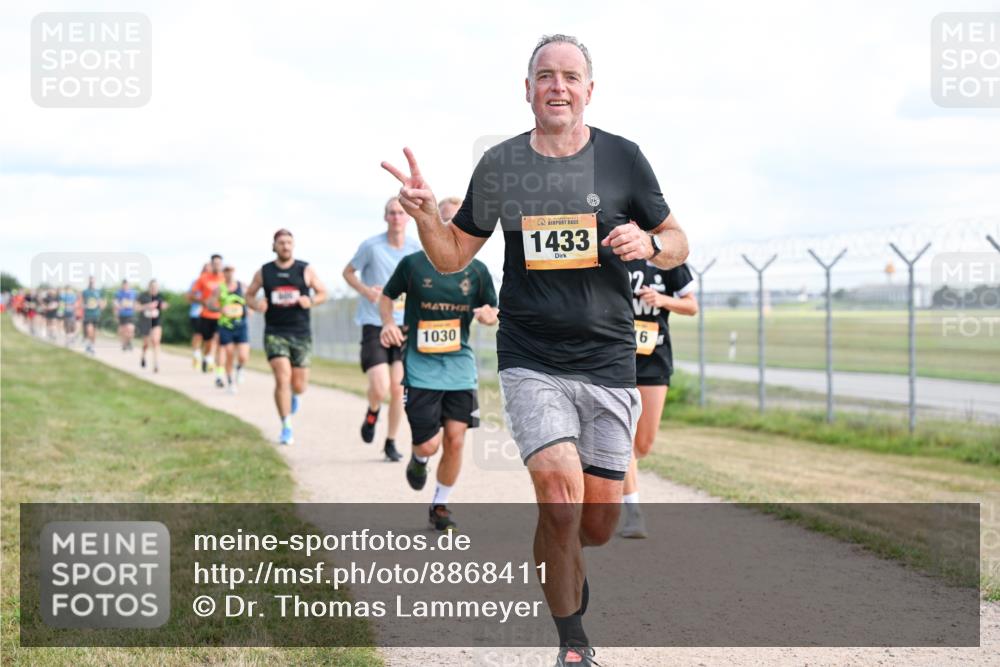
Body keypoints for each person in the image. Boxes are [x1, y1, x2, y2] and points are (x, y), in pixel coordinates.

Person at [382, 34, 688, 666]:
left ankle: (565, 561)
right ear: (527, 89)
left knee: (594, 525)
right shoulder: (500, 165)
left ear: (589, 90)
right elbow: (451, 254)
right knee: (557, 496)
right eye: (545, 76)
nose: (558, 86)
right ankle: (573, 644)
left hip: (608, 359)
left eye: (570, 76)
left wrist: (651, 247)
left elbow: (678, 239)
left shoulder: (624, 159)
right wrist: (424, 218)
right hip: (531, 357)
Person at [379, 204, 499, 531]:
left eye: (462, 219)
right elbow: (387, 297)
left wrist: (490, 316)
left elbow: (492, 308)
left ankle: (440, 505)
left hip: (459, 365)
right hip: (421, 366)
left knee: (457, 440)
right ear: (436, 224)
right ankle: (419, 461)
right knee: (429, 445)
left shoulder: (477, 271)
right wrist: (388, 322)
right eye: (447, 219)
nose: (455, 226)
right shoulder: (413, 265)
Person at [620, 260, 697, 538]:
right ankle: (633, 513)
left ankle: (614, 479)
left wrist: (661, 299)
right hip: (616, 357)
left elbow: (691, 306)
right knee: (622, 440)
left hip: (655, 358)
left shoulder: (669, 259)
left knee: (642, 445)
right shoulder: (614, 252)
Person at [343, 197, 422, 461]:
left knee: (399, 390)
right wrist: (365, 291)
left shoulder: (415, 248)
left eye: (401, 213)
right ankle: (372, 411)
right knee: (380, 387)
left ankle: (390, 442)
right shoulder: (371, 246)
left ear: (408, 217)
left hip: (403, 324)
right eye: (392, 213)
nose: (397, 217)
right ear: (385, 217)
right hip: (374, 322)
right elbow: (348, 272)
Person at [246, 229, 327, 445]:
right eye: (281, 243)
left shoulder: (305, 269)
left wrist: (311, 301)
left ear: (293, 246)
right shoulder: (264, 272)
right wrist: (257, 304)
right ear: (274, 246)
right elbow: (249, 295)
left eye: (289, 242)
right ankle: (286, 426)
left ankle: (295, 396)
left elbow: (322, 292)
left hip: (300, 332)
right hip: (275, 331)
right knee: (282, 376)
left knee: (299, 385)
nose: (285, 246)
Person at [214, 265, 250, 394]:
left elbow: (249, 300)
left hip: (241, 324)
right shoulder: (219, 288)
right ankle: (230, 382)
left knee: (243, 356)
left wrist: (249, 309)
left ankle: (240, 368)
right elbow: (211, 303)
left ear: (234, 272)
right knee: (229, 354)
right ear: (223, 273)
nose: (229, 273)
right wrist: (219, 309)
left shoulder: (243, 286)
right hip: (226, 325)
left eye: (231, 271)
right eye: (226, 271)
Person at [190, 255, 225, 385]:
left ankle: (210, 359)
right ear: (211, 264)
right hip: (205, 314)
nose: (217, 266)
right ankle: (202, 356)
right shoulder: (203, 278)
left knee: (217, 339)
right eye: (215, 263)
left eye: (219, 263)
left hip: (220, 316)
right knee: (206, 340)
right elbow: (191, 295)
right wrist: (202, 301)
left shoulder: (224, 279)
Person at [137, 279, 169, 372]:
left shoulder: (160, 296)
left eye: (156, 287)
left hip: (156, 322)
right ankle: (143, 356)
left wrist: (164, 306)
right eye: (152, 287)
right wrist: (147, 306)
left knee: (156, 341)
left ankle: (156, 364)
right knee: (146, 343)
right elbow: (137, 307)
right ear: (149, 287)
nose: (154, 289)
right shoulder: (143, 296)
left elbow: (164, 305)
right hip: (145, 322)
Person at [188, 263, 208, 370]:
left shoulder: (214, 283)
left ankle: (205, 357)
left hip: (210, 314)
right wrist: (201, 300)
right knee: (198, 335)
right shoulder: (195, 283)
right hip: (196, 313)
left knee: (208, 338)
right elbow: (189, 297)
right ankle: (196, 354)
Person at [81, 277, 104, 355]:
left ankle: (91, 346)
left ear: (94, 282)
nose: (92, 283)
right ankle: (89, 344)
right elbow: (81, 303)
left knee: (94, 332)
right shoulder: (85, 292)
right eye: (90, 281)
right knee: (89, 330)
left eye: (93, 282)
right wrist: (85, 305)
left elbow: (102, 303)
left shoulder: (98, 292)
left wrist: (100, 305)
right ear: (88, 282)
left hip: (96, 314)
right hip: (88, 314)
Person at [114, 280, 137, 350]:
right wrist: (116, 313)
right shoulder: (118, 293)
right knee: (122, 331)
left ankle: (129, 341)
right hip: (122, 314)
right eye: (124, 285)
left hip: (130, 314)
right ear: (122, 285)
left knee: (131, 329)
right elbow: (115, 303)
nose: (125, 286)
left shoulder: (133, 293)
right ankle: (124, 344)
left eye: (127, 285)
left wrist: (134, 307)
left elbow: (136, 303)